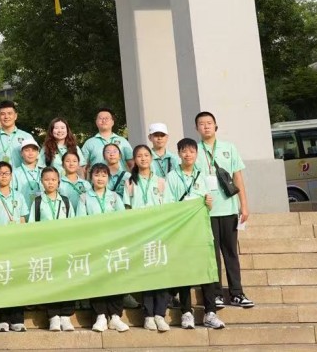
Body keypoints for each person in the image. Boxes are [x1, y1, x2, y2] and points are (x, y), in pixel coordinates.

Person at [194, 111, 253, 310]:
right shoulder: (194, 151)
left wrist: (243, 205)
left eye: (209, 123)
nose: (206, 126)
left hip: (228, 209)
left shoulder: (229, 148)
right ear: (197, 129)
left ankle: (237, 293)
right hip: (206, 211)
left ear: (216, 126)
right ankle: (216, 293)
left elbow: (238, 178)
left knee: (230, 253)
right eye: (201, 124)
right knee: (212, 254)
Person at [166, 138, 221, 330]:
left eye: (191, 151)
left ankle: (210, 312)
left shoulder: (202, 175)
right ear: (178, 153)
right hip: (183, 232)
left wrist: (208, 202)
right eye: (184, 151)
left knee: (206, 270)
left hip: (201, 230)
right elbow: (169, 204)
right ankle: (186, 312)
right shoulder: (172, 176)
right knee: (185, 271)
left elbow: (209, 204)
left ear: (196, 153)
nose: (188, 154)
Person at [125, 145, 170, 332]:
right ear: (134, 160)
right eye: (139, 156)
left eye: (146, 155)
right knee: (146, 273)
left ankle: (160, 313)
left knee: (161, 273)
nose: (143, 159)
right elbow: (126, 209)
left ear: (150, 158)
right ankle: (148, 315)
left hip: (158, 232)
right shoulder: (129, 182)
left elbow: (168, 208)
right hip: (140, 233)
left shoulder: (160, 181)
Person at [79, 163, 129, 333]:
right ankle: (100, 315)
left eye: (103, 175)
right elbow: (81, 221)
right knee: (97, 278)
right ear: (91, 177)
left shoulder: (115, 197)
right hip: (94, 244)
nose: (100, 179)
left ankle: (115, 316)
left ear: (108, 178)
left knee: (115, 277)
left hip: (113, 243)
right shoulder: (84, 197)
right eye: (96, 175)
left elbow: (122, 220)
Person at [29, 166, 77, 333]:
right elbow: (32, 226)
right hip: (46, 248)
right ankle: (53, 316)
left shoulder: (65, 201)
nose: (50, 182)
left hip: (64, 247)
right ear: (42, 181)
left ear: (58, 181)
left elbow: (73, 223)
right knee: (50, 280)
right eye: (47, 179)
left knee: (66, 279)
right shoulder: (37, 201)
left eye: (53, 179)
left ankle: (66, 315)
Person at [0, 161, 27, 332]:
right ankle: (3, 319)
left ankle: (17, 318)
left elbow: (23, 220)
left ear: (11, 176)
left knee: (17, 280)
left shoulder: (19, 196)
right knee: (1, 280)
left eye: (6, 173)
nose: (3, 176)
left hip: (16, 244)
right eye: (0, 173)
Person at [0, 101, 37, 167]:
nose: (6, 117)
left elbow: (36, 160)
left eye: (9, 113)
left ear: (15, 116)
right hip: (0, 176)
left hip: (21, 177)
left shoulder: (27, 137)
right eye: (2, 114)